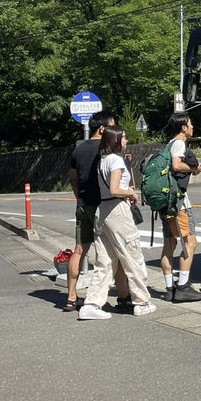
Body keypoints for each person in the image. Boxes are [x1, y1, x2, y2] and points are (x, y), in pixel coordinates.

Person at [78, 126, 155, 320]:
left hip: (102, 212)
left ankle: (91, 304)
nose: (126, 140)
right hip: (117, 211)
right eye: (124, 137)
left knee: (104, 262)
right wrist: (130, 192)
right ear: (115, 140)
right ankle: (142, 302)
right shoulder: (115, 159)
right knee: (132, 255)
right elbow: (114, 189)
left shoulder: (102, 161)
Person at [66, 111, 130, 312]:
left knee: (79, 250)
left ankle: (70, 297)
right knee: (116, 252)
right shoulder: (105, 150)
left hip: (82, 204)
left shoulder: (78, 150)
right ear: (102, 129)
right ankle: (123, 296)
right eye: (112, 126)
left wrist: (79, 198)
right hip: (103, 206)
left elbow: (73, 179)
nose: (114, 130)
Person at [160, 112, 201, 303]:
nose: (192, 126)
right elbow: (177, 166)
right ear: (183, 128)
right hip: (179, 204)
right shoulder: (179, 143)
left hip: (167, 203)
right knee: (190, 243)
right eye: (190, 123)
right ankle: (184, 286)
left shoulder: (168, 144)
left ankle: (170, 288)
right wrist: (194, 169)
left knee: (169, 244)